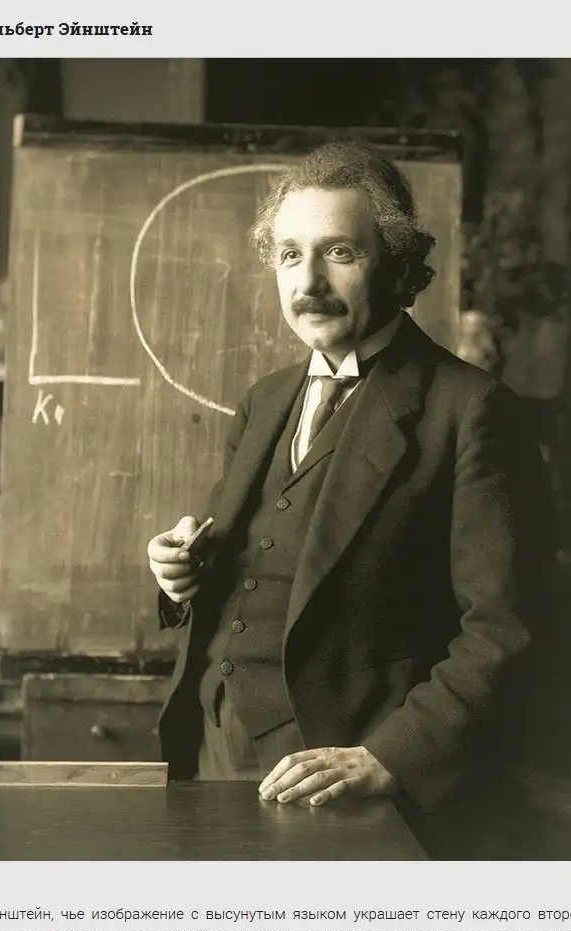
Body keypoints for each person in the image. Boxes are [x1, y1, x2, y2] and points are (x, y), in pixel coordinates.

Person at [148, 141, 547, 819]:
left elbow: (506, 628)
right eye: (289, 255)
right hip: (207, 748)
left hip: (341, 781)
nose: (308, 283)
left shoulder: (471, 410)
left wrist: (389, 757)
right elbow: (249, 570)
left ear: (396, 263)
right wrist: (180, 573)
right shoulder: (265, 400)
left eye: (338, 252)